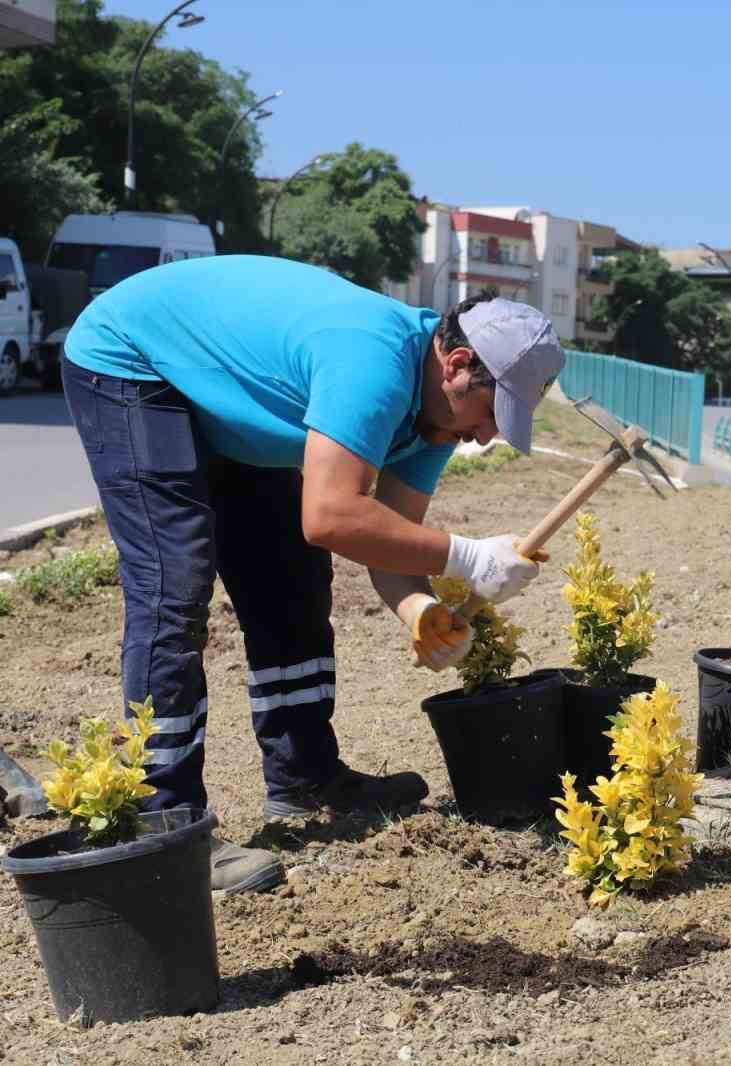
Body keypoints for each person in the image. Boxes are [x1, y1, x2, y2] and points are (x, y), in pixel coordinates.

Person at [60, 256, 564, 894]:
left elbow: (385, 539)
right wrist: (468, 557)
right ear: (458, 366)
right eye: (493, 413)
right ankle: (163, 822)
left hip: (231, 395)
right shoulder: (373, 363)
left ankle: (304, 778)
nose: (487, 437)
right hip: (133, 360)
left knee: (291, 576)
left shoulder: (436, 418)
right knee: (174, 582)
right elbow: (331, 514)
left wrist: (419, 610)